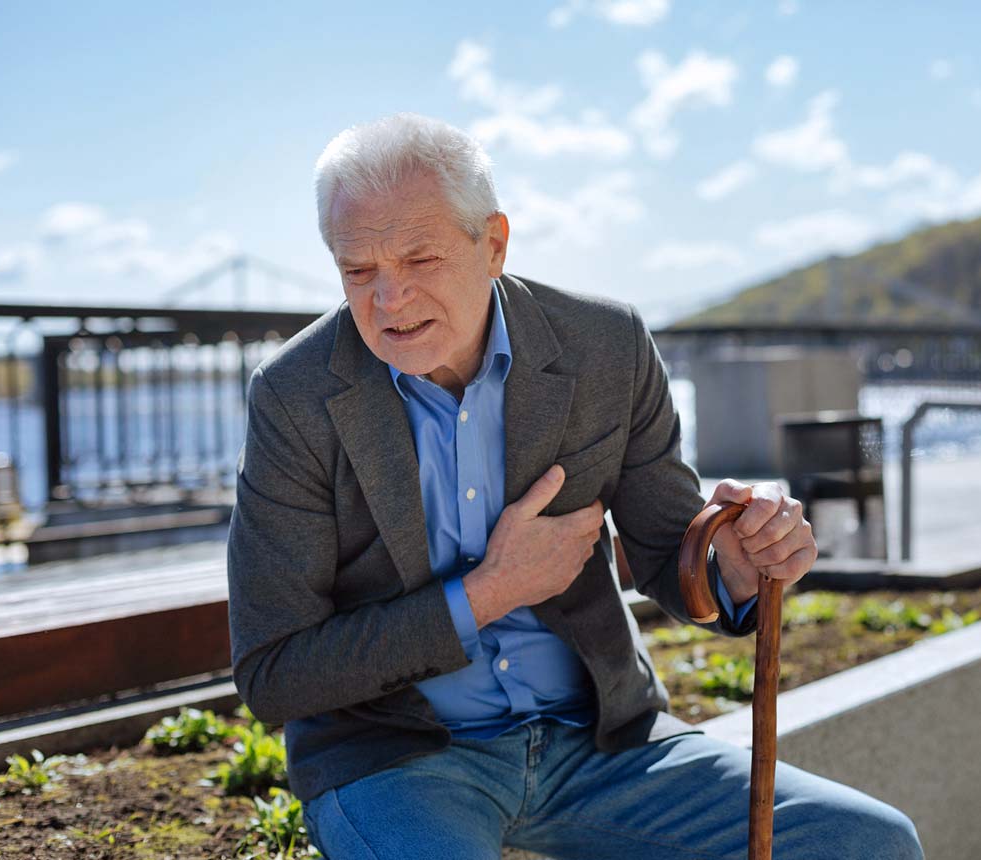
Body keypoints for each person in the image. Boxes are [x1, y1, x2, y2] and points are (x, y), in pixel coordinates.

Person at [226, 112, 923, 860]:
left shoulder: (607, 347)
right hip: (398, 760)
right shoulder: (293, 396)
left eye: (419, 259)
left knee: (869, 843)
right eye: (357, 271)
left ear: (492, 244)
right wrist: (487, 593)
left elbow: (669, 552)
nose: (388, 301)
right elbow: (275, 672)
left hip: (602, 743)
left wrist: (737, 568)